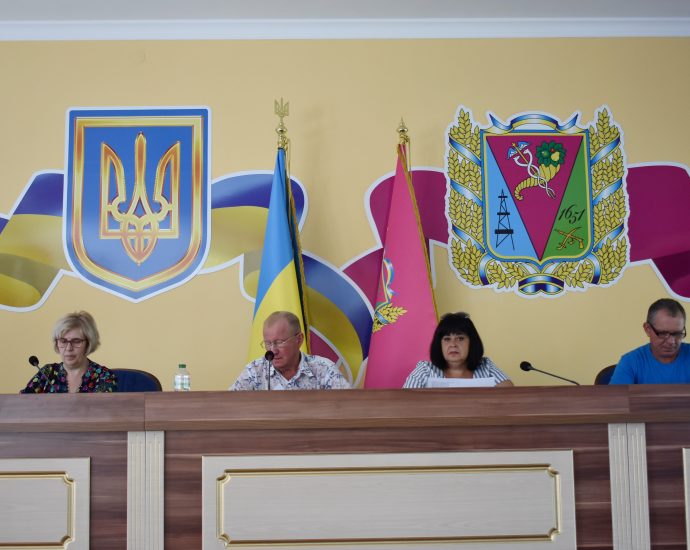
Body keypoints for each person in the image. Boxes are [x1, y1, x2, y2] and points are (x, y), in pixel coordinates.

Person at [230, 311, 351, 390]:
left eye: (279, 342)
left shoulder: (324, 369)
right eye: (268, 343)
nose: (273, 351)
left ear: (299, 339)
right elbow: (229, 407)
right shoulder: (254, 372)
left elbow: (349, 406)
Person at [403, 312, 513, 388]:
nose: (453, 344)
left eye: (460, 338)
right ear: (439, 345)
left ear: (472, 342)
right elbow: (406, 401)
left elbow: (509, 395)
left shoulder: (486, 366)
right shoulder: (425, 370)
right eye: (447, 339)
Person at [21, 311, 117, 393]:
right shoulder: (47, 372)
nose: (68, 348)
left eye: (76, 341)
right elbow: (22, 404)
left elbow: (101, 408)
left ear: (88, 343)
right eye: (63, 341)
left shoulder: (104, 376)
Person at [610, 298, 689, 384]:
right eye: (663, 333)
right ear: (647, 329)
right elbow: (617, 393)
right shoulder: (630, 362)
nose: (671, 341)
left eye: (677, 333)